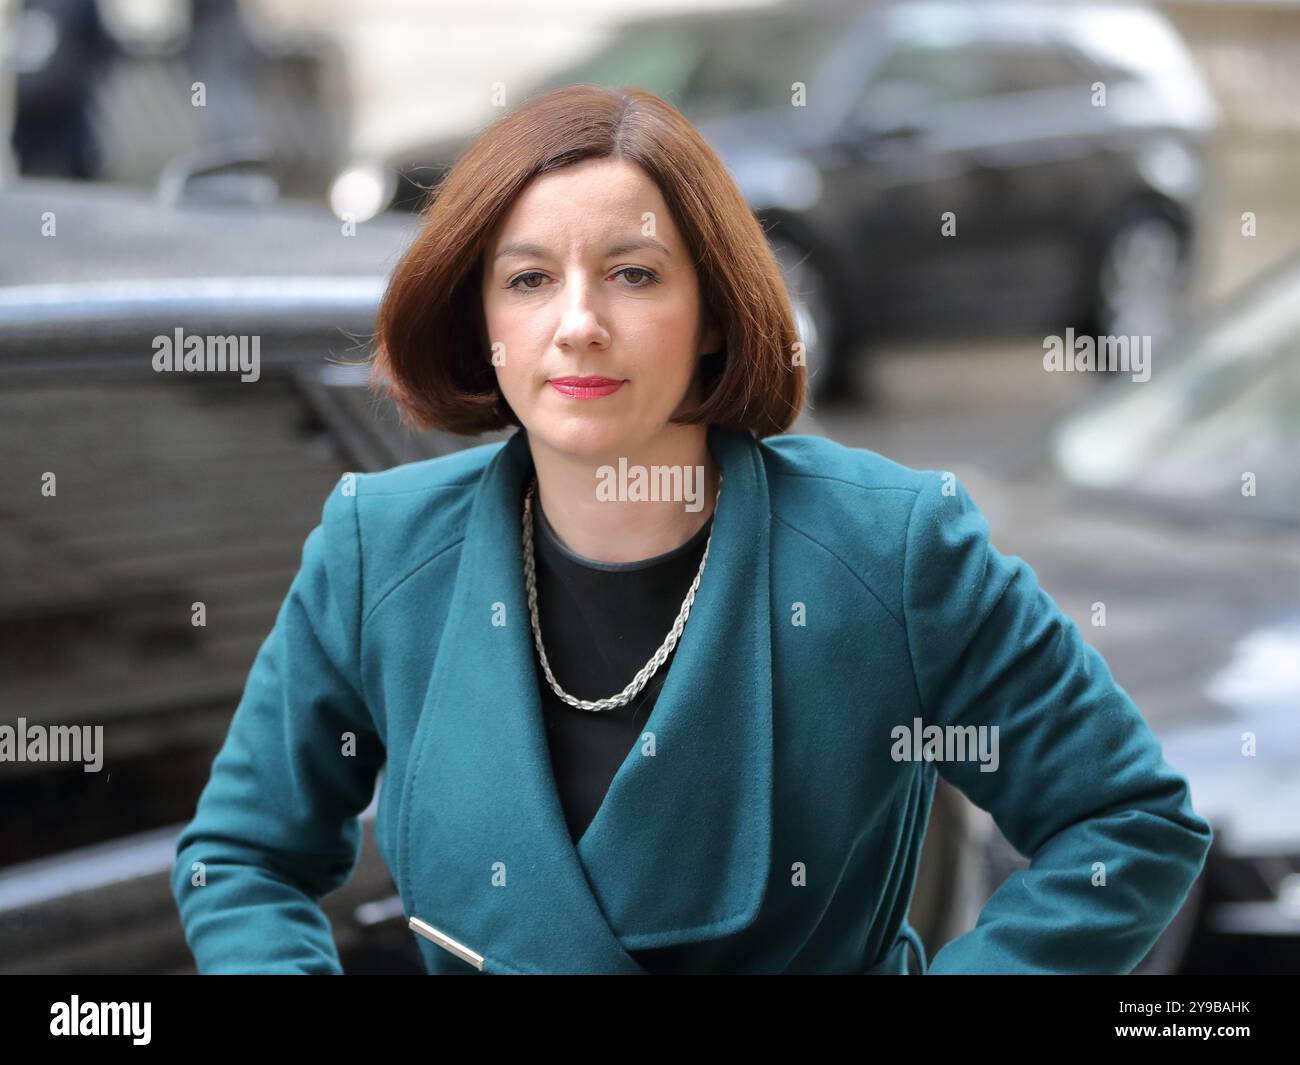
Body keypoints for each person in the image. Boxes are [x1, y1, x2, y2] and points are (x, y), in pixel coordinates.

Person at [171, 85, 1213, 975]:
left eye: (632, 273)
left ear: (712, 311)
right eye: (528, 278)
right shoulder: (378, 550)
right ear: (481, 322)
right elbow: (243, 857)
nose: (577, 320)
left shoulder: (889, 546)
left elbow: (1127, 823)